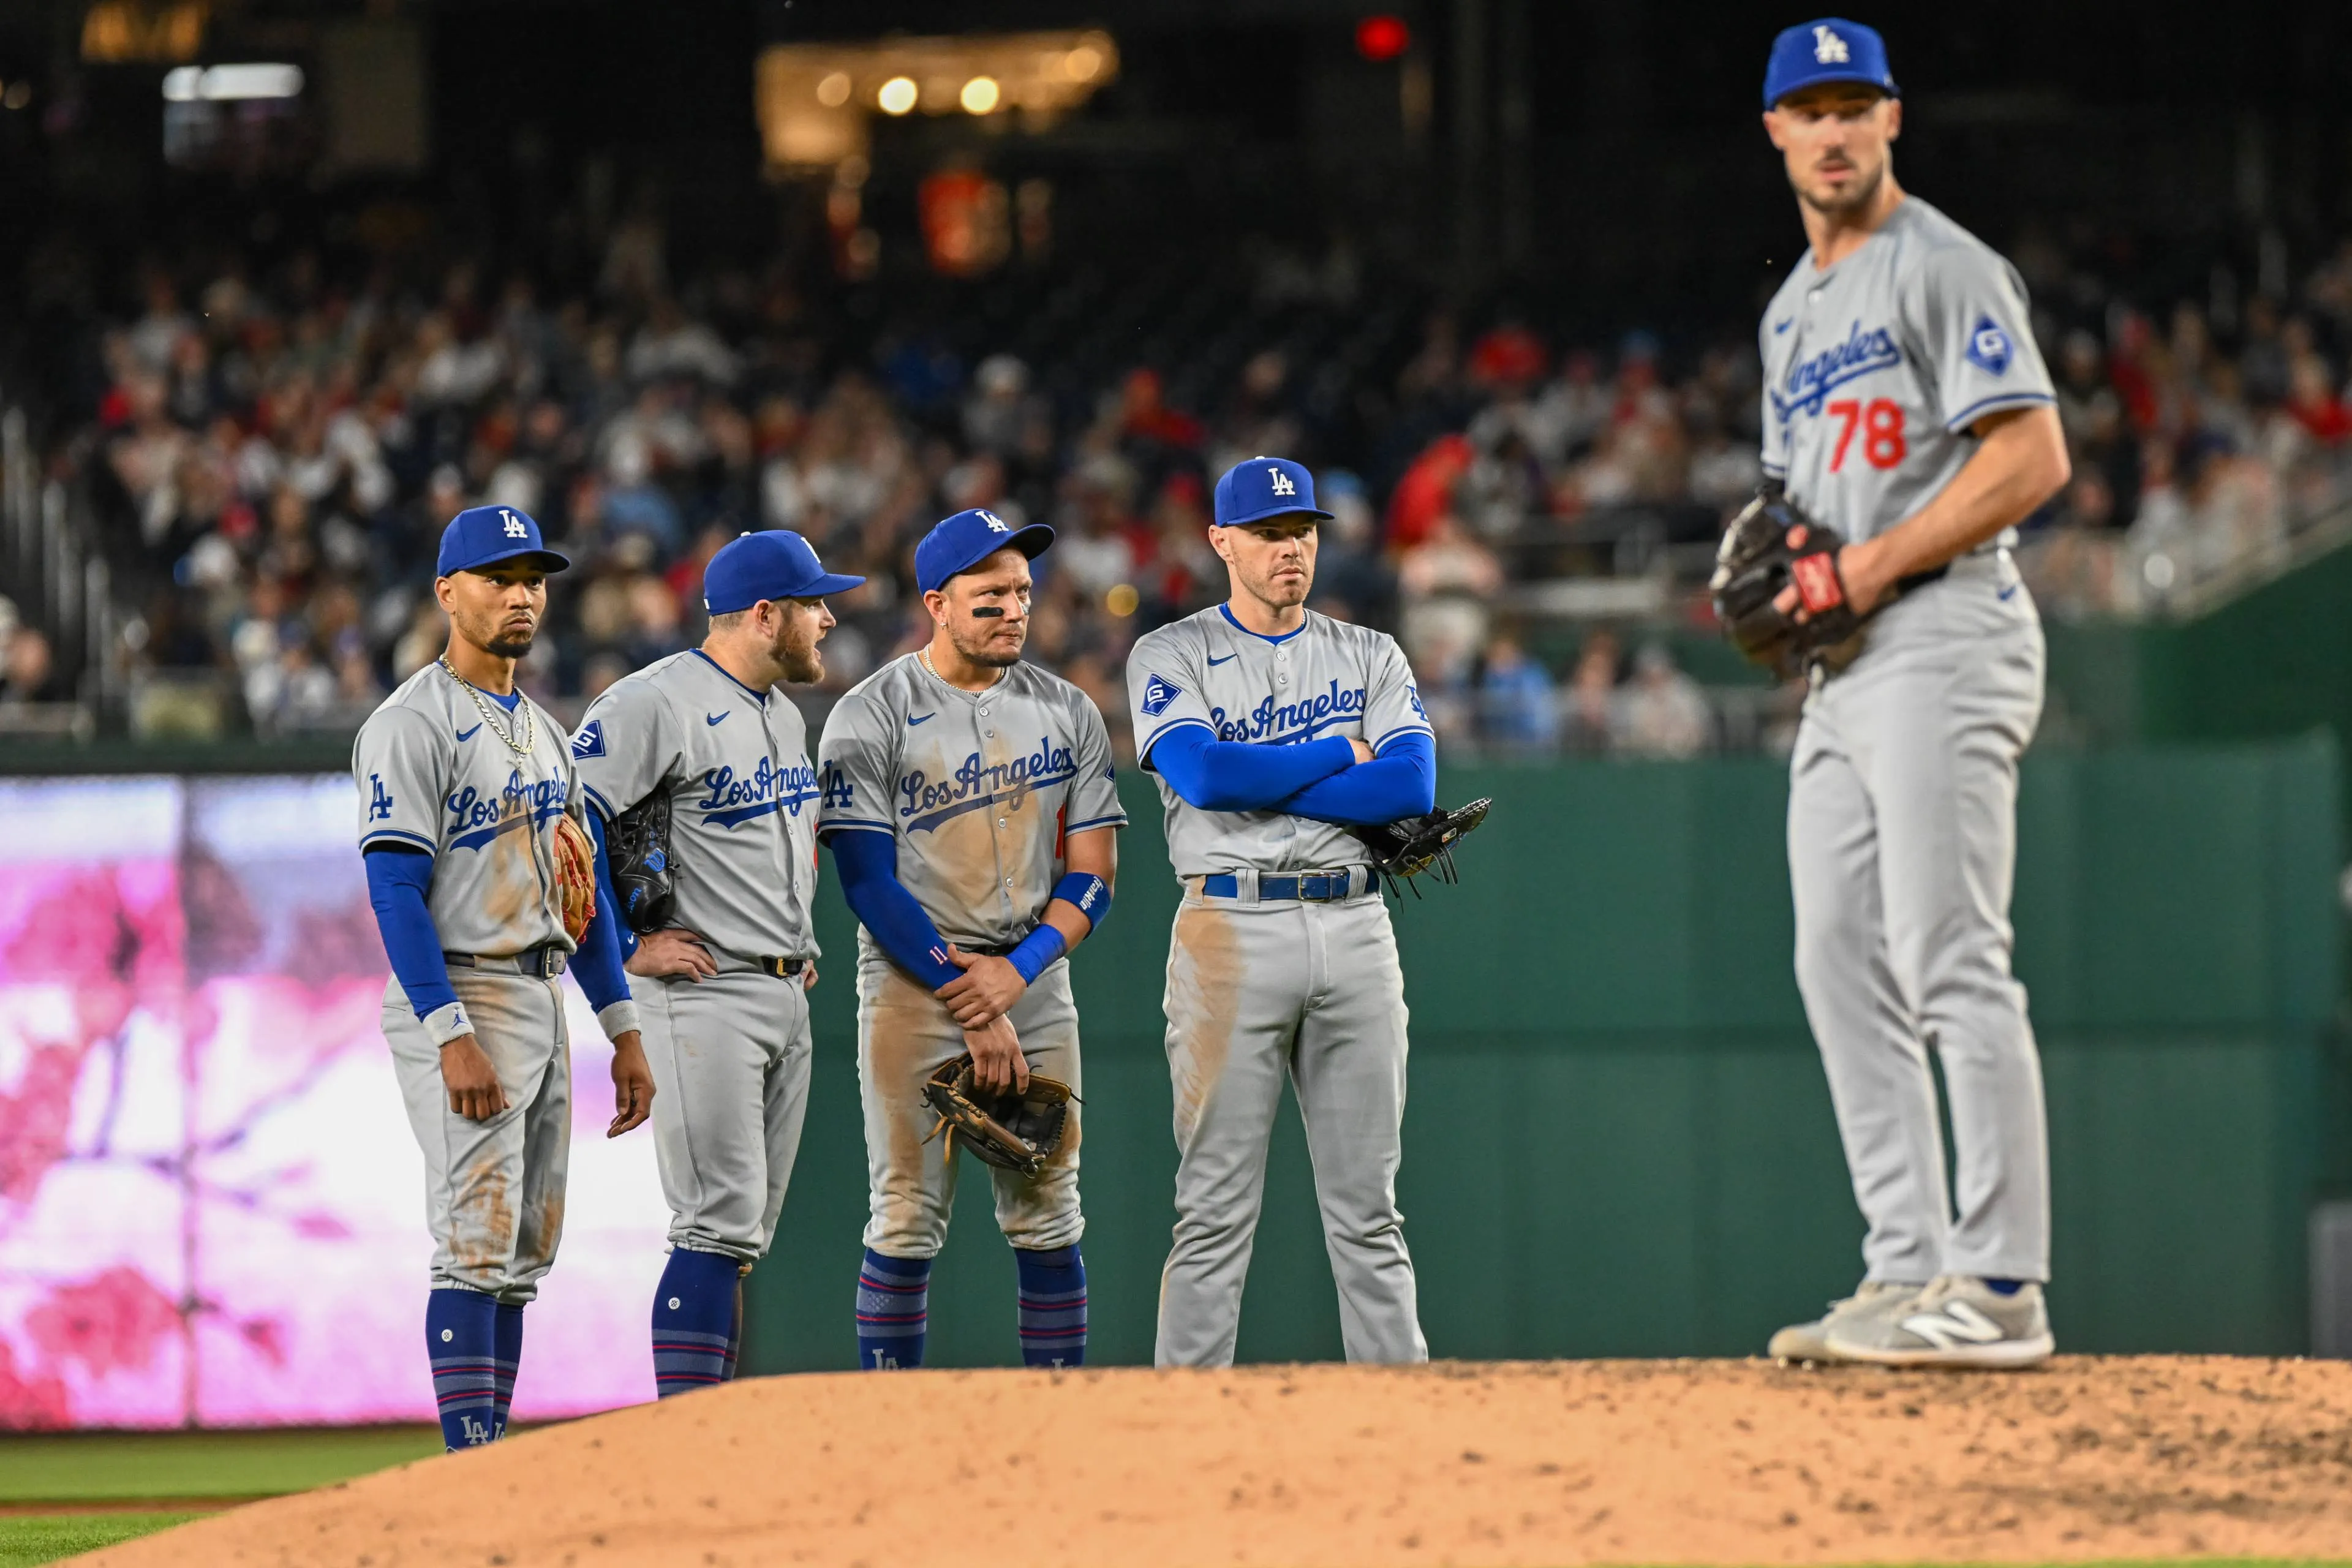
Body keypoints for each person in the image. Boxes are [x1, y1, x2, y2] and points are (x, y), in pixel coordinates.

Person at [1755, 20, 2070, 1366]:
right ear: (1774, 131)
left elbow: (2035, 454)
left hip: (1945, 630)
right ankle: (1908, 1266)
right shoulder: (1787, 313)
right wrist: (1790, 585)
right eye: (1807, 109)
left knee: (1950, 955)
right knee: (1836, 955)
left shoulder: (1944, 265)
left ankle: (1999, 1281)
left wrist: (1870, 560)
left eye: (1852, 105)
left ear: (1894, 119)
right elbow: (1798, 517)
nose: (1831, 131)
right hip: (1845, 669)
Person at [352, 505, 655, 1450]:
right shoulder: (411, 723)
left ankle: (490, 1460)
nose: (521, 595)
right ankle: (468, 1469)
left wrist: (624, 1025)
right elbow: (395, 888)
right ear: (448, 592)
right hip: (464, 986)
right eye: (499, 577)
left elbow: (589, 893)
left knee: (525, 1253)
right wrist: (448, 1031)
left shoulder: (546, 732)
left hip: (543, 988)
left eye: (533, 578)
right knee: (476, 1243)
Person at [1126, 456, 1436, 1368]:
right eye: (1266, 533)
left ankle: (1403, 1419)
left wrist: (1279, 780)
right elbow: (1206, 777)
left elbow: (1411, 786)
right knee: (1214, 1209)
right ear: (1222, 541)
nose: (1289, 547)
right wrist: (1343, 754)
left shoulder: (1371, 651)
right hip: (1231, 929)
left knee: (1370, 1210)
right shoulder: (1170, 651)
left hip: (1355, 928)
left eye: (1301, 530)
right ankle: (1187, 1426)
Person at [814, 508, 1126, 1370]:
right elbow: (867, 885)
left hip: (1033, 977)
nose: (1013, 610)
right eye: (990, 596)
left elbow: (1095, 875)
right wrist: (971, 994)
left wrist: (1017, 976)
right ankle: (898, 1427)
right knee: (907, 1212)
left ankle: (1056, 1423)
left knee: (1049, 1206)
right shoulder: (868, 714)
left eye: (1023, 593)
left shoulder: (1067, 710)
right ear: (937, 603)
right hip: (915, 982)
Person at [569, 530, 861, 1398]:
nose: (829, 617)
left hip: (779, 986)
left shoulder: (779, 709)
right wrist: (625, 944)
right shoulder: (653, 702)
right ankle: (683, 1443)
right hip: (699, 995)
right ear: (766, 614)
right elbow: (565, 822)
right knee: (712, 1228)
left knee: (739, 1239)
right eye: (814, 604)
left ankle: (705, 1439)